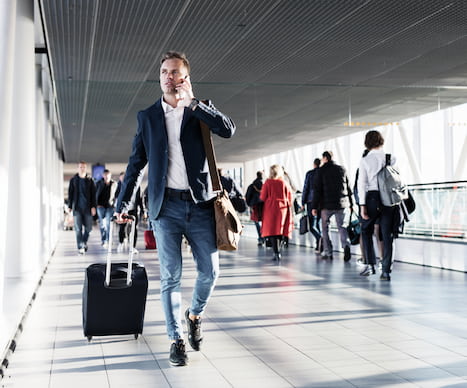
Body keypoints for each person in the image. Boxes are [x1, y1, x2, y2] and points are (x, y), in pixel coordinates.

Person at [114, 51, 236, 366]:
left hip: (199, 206)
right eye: (165, 72)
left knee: (210, 272)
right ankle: (175, 338)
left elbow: (228, 130)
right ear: (160, 77)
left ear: (186, 77)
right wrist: (124, 203)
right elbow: (134, 165)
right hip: (165, 207)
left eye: (176, 72)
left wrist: (194, 103)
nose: (170, 77)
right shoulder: (148, 116)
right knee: (170, 277)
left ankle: (194, 315)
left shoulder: (198, 110)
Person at [357, 130, 399, 281]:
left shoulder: (365, 160)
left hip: (372, 198)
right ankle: (386, 270)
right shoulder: (390, 158)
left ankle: (370, 265)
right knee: (387, 235)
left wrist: (362, 205)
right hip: (388, 199)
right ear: (381, 141)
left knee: (366, 230)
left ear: (367, 143)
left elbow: (362, 184)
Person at [311, 151, 352, 261]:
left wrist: (314, 206)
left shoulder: (320, 171)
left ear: (324, 158)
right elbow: (348, 187)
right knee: (342, 227)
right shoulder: (341, 169)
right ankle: (346, 246)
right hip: (341, 203)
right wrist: (351, 203)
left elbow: (317, 190)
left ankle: (328, 252)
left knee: (325, 227)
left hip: (326, 205)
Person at [260, 164, 294, 261]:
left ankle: (276, 252)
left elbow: (263, 197)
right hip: (283, 208)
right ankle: (279, 249)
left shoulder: (268, 182)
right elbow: (290, 196)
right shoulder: (284, 183)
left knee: (272, 230)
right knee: (280, 229)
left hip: (270, 208)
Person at [67, 161, 96, 254]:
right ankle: (80, 247)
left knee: (89, 229)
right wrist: (70, 206)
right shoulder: (74, 180)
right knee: (78, 229)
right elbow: (70, 193)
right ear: (78, 168)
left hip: (87, 208)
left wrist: (93, 207)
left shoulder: (90, 180)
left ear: (85, 168)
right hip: (77, 209)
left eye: (83, 167)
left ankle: (83, 242)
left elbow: (93, 195)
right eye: (80, 167)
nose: (82, 169)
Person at [302, 158, 322, 252]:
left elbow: (306, 188)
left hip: (311, 202)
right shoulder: (323, 173)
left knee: (312, 226)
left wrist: (303, 202)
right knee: (318, 223)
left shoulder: (310, 174)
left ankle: (319, 238)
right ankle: (319, 245)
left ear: (314, 164)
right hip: (321, 202)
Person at [95, 169, 117, 248]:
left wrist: (115, 205)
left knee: (108, 223)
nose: (107, 177)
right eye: (105, 175)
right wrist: (96, 204)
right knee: (102, 224)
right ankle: (104, 240)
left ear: (110, 175)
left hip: (110, 206)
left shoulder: (114, 184)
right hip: (100, 206)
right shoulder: (98, 183)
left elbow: (116, 196)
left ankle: (109, 240)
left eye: (108, 175)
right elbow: (95, 194)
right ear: (103, 175)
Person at [245, 171, 264, 246]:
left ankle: (260, 238)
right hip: (264, 205)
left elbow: (248, 196)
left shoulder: (252, 185)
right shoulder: (265, 185)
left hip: (255, 206)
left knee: (257, 222)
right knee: (264, 222)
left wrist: (249, 205)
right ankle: (265, 237)